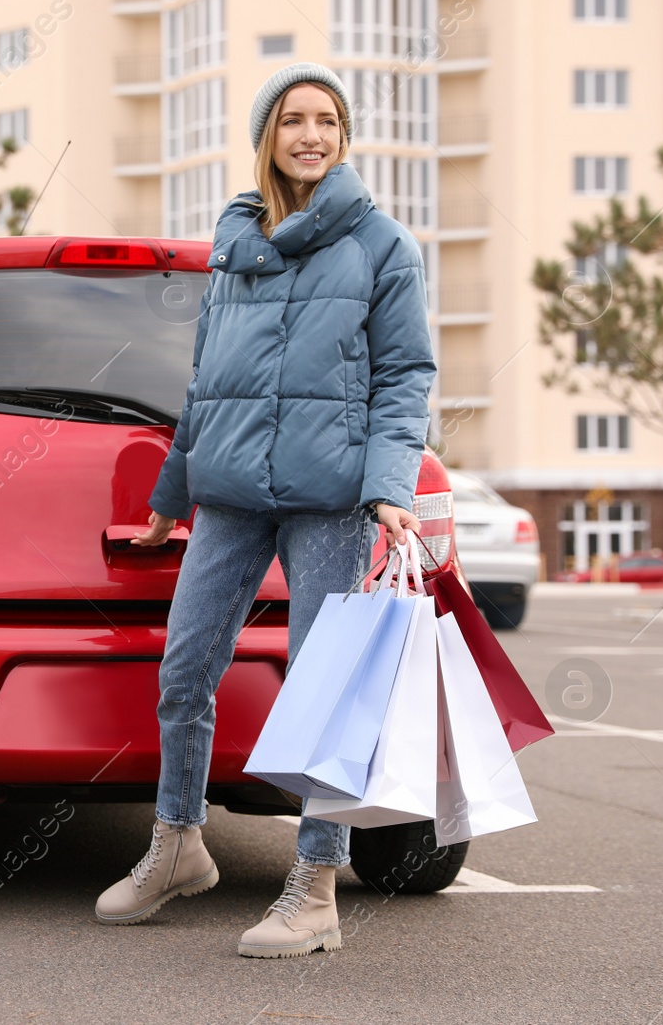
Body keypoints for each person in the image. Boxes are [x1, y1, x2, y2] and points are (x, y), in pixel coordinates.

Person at [93, 63, 436, 958]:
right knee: (183, 670)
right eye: (294, 121)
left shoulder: (383, 246)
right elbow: (208, 388)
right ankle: (178, 844)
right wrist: (171, 499)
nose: (312, 135)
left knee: (321, 688)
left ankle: (317, 885)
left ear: (345, 136)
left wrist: (390, 487)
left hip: (332, 502)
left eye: (327, 120)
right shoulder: (236, 246)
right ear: (267, 137)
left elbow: (406, 376)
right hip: (232, 496)